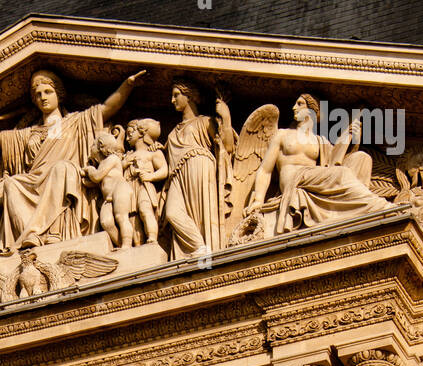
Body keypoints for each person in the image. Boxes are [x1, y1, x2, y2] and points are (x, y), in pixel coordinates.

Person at [0, 68, 145, 248]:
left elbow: (109, 108)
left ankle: (53, 231)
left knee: (61, 168)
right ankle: (31, 235)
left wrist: (128, 84)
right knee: (12, 183)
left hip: (65, 177)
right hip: (34, 181)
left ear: (59, 95)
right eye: (38, 94)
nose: (43, 97)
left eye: (47, 91)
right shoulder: (28, 133)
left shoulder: (77, 121)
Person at [248, 94, 391, 235]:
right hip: (294, 179)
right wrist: (259, 199)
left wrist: (354, 140)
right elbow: (265, 170)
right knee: (342, 173)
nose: (293, 108)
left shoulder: (319, 141)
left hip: (312, 178)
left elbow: (334, 163)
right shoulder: (283, 134)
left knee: (362, 158)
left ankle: (363, 208)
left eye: (299, 104)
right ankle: (378, 205)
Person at [163, 83, 233, 256]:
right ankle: (199, 246)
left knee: (201, 216)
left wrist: (226, 116)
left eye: (176, 94)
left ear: (190, 96)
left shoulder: (204, 122)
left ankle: (206, 255)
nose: (172, 100)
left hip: (199, 166)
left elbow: (228, 146)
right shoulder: (172, 133)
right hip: (177, 176)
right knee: (171, 213)